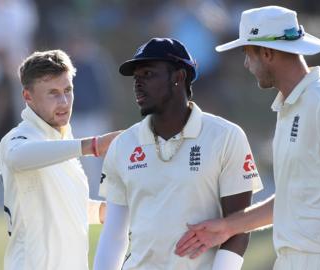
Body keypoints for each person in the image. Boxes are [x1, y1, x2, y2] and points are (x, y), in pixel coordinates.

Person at [175, 6, 320, 270]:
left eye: (247, 54)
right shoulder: (289, 106)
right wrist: (227, 227)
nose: (247, 64)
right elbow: (291, 199)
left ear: (267, 53)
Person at [93, 38, 262, 270]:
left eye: (148, 74)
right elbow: (114, 235)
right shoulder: (123, 145)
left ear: (178, 77)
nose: (138, 84)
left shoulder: (226, 136)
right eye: (136, 77)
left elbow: (238, 227)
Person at [0, 49, 120, 270]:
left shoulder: (62, 140)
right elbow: (17, 157)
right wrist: (93, 145)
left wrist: (113, 212)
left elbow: (69, 206)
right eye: (53, 93)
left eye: (68, 90)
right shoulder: (17, 138)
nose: (64, 101)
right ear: (28, 96)